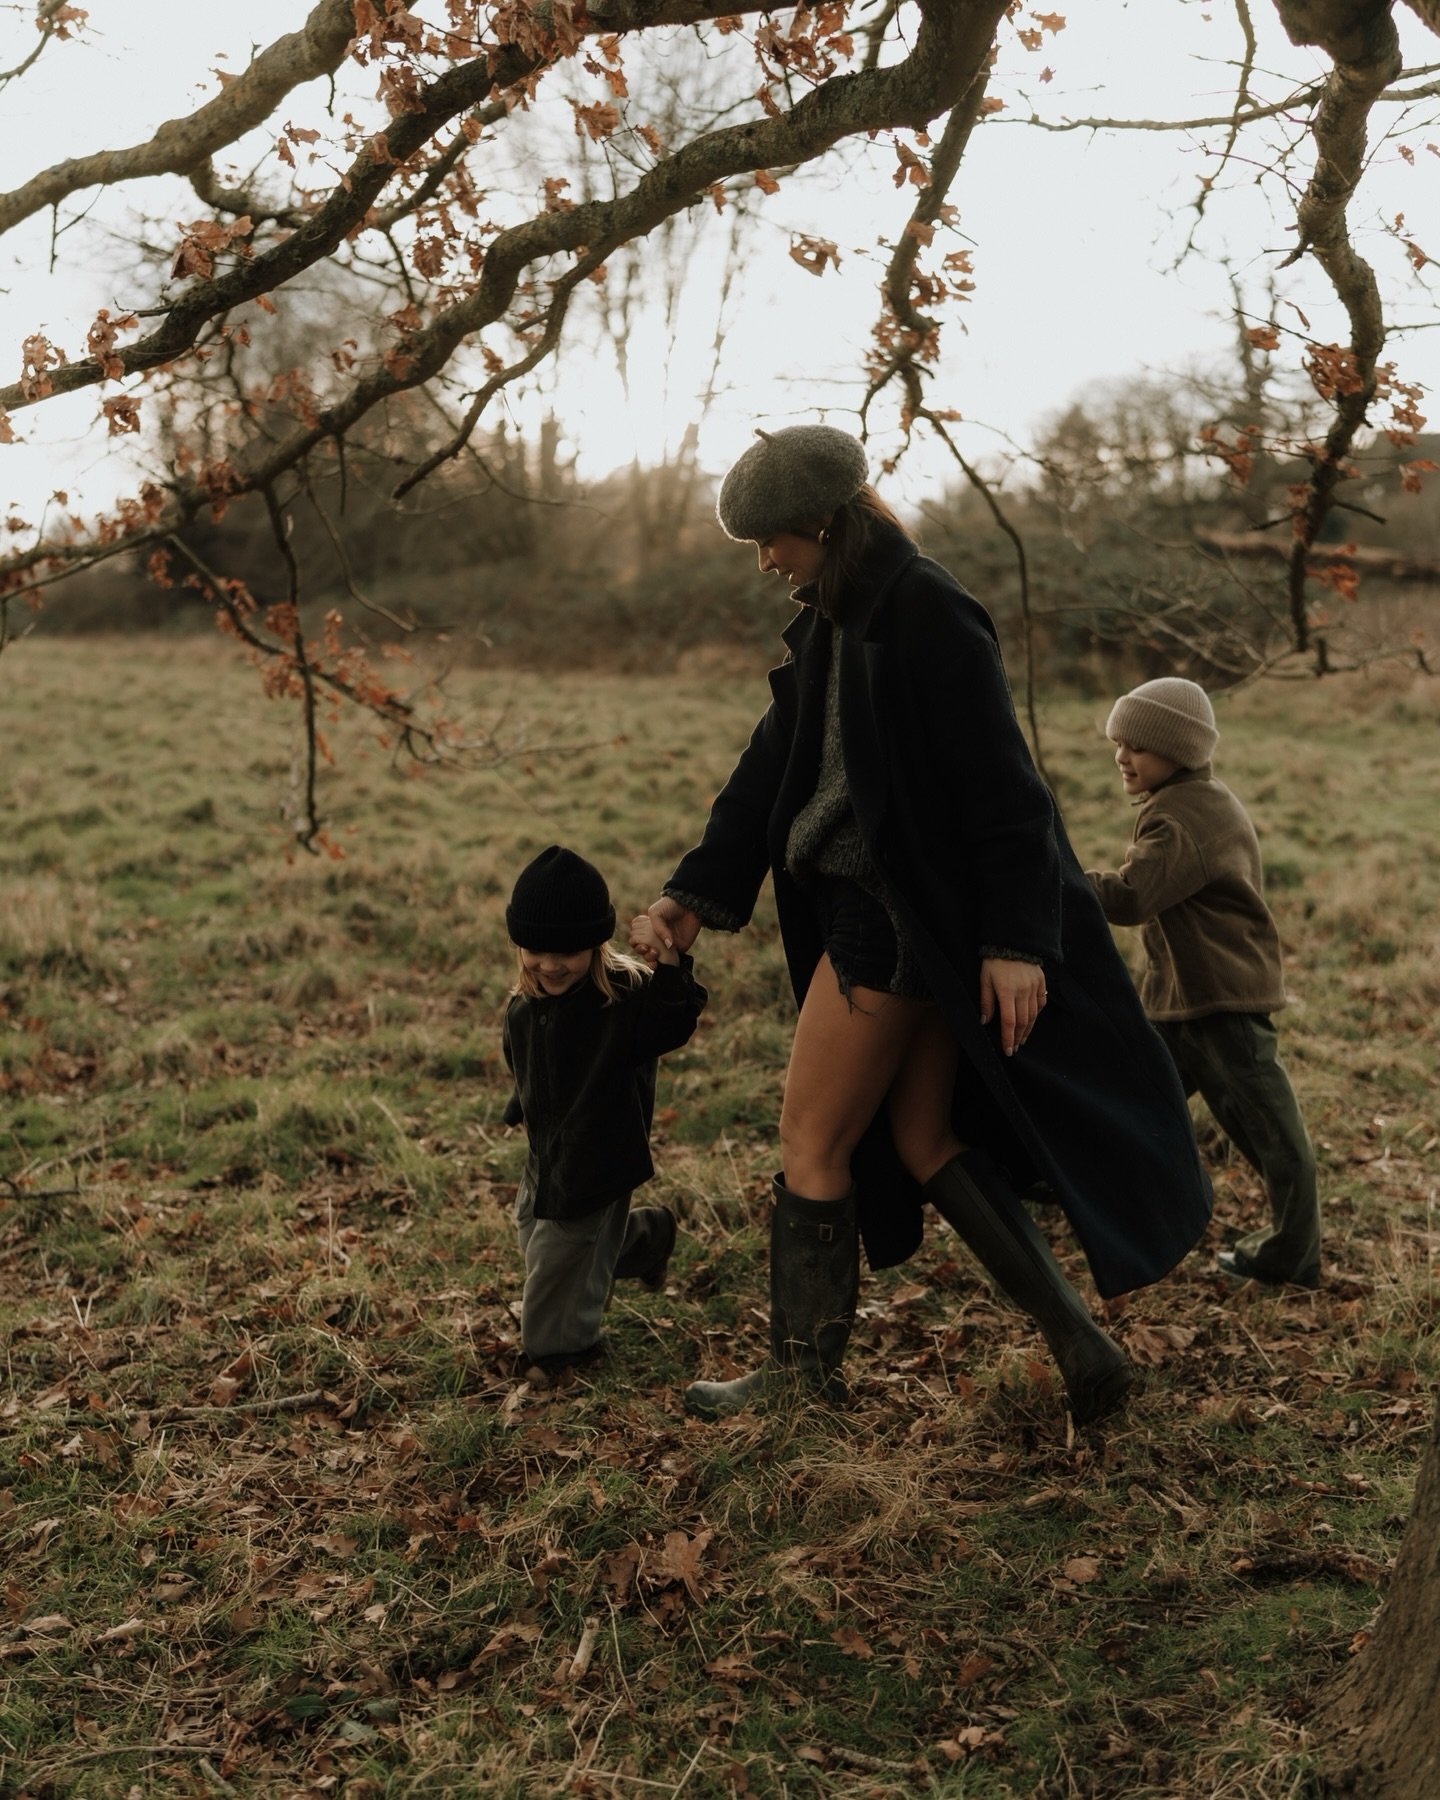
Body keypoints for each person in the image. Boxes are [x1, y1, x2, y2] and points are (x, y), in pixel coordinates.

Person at [639, 423, 1211, 1424]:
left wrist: (1016, 943)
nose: (766, 559)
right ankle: (1083, 1350)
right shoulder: (835, 616)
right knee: (920, 1135)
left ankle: (801, 1379)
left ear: (819, 518)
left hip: (891, 929)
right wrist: (696, 893)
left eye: (772, 538)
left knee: (810, 1142)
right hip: (892, 920)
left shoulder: (925, 613)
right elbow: (773, 768)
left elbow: (1007, 793)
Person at [1086, 677, 1321, 1289]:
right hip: (1183, 1000)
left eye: (1136, 744)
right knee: (1140, 1103)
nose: (1121, 755)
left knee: (1269, 1131)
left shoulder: (1182, 817)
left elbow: (1133, 897)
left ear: (1180, 749)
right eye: (1119, 742)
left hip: (1222, 999)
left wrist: (1060, 876)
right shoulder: (1189, 801)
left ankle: (1292, 1255)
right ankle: (1115, 1210)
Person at [501, 844, 707, 1381]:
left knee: (555, 1261)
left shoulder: (623, 1002)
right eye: (536, 950)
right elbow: (525, 1059)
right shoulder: (527, 1000)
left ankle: (564, 1352)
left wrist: (669, 966)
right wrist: (519, 1103)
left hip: (598, 1157)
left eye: (567, 951)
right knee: (534, 1234)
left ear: (597, 943)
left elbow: (672, 1025)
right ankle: (645, 1241)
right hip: (546, 1155)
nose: (550, 963)